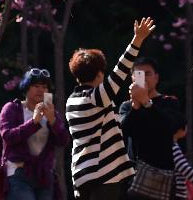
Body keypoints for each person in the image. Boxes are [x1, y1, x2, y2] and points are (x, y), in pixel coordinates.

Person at [66, 17, 155, 200]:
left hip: (82, 176)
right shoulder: (97, 97)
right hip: (103, 177)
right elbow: (121, 70)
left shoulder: (71, 101)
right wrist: (137, 40)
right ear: (99, 74)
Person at [117, 57, 183, 197]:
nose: (144, 78)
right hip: (134, 177)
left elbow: (168, 128)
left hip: (161, 174)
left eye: (148, 73)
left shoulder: (169, 102)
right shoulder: (126, 106)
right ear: (132, 78)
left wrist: (147, 102)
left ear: (156, 77)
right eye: (139, 74)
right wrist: (136, 105)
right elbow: (123, 131)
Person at [0, 68, 69, 200]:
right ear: (26, 87)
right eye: (35, 86)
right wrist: (33, 122)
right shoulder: (12, 108)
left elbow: (63, 140)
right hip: (18, 173)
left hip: (44, 175)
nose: (41, 90)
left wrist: (53, 121)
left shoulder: (51, 113)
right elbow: (8, 136)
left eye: (44, 87)